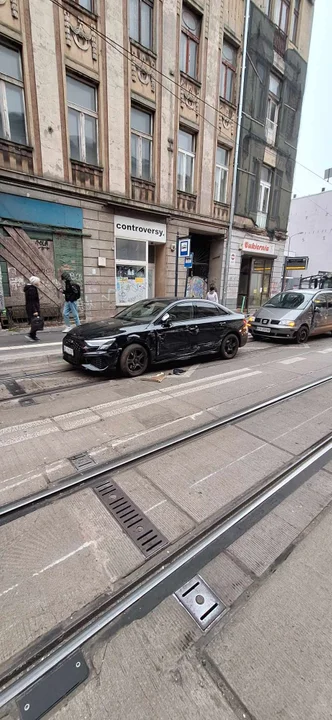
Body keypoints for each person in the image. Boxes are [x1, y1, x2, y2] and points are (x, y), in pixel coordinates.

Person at [24, 276, 41, 342]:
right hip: (32, 308)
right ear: (35, 282)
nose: (39, 283)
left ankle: (33, 335)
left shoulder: (30, 288)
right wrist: (35, 310)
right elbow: (32, 301)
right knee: (35, 321)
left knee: (34, 322)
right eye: (38, 281)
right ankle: (32, 335)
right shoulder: (32, 289)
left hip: (30, 307)